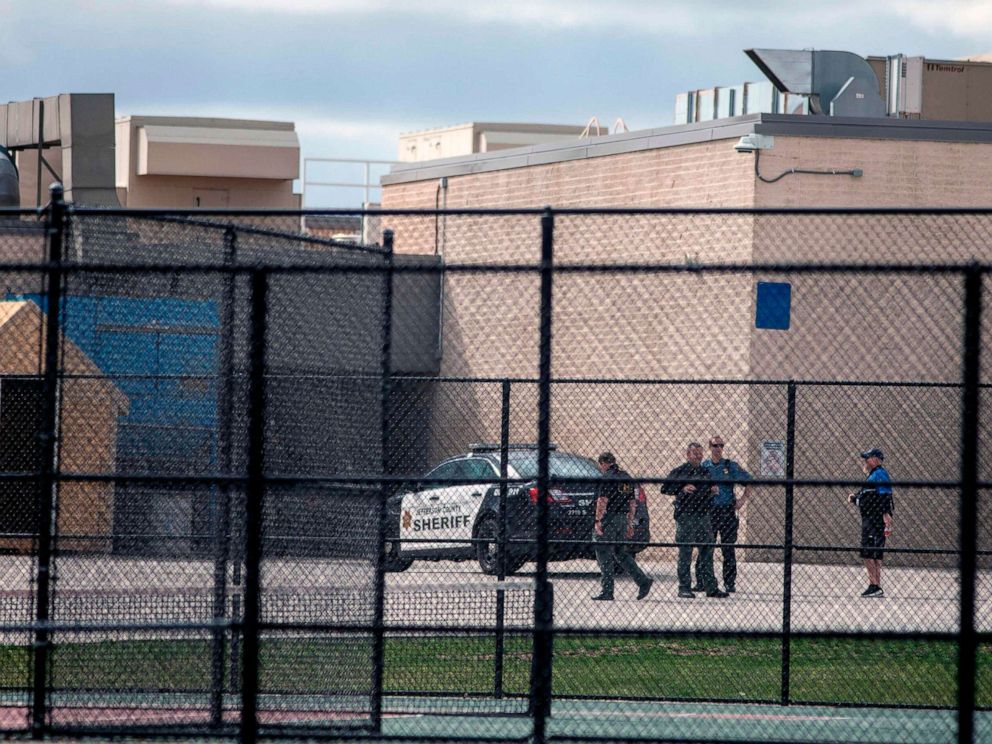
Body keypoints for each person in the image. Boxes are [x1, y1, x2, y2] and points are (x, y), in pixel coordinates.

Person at [661, 442, 728, 599]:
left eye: (700, 453)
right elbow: (664, 488)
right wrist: (681, 488)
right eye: (694, 453)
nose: (698, 456)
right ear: (688, 454)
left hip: (703, 516)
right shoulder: (680, 471)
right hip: (686, 516)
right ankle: (684, 587)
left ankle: (711, 588)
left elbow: (711, 487)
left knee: (707, 551)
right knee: (686, 552)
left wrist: (713, 489)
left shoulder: (705, 472)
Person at [591, 452, 654, 601]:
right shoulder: (626, 477)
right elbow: (632, 503)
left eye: (601, 466)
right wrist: (630, 523)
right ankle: (642, 580)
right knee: (621, 553)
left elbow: (602, 500)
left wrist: (598, 520)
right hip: (623, 519)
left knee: (602, 550)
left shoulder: (607, 478)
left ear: (603, 464)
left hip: (610, 519)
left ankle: (607, 590)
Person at [701, 436, 752, 593]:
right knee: (706, 547)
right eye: (715, 445)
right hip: (710, 511)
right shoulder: (704, 467)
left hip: (727, 511)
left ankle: (729, 582)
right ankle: (704, 581)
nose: (718, 448)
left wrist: (742, 500)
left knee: (728, 548)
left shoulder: (730, 466)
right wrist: (707, 490)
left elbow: (750, 481)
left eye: (721, 445)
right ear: (710, 447)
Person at [849, 448, 894, 597]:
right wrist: (856, 499)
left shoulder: (879, 474)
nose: (866, 461)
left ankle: (874, 584)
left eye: (868, 458)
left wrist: (886, 515)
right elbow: (868, 496)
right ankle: (875, 585)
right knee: (873, 552)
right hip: (871, 518)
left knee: (869, 552)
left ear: (875, 459)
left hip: (874, 520)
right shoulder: (873, 476)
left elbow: (884, 496)